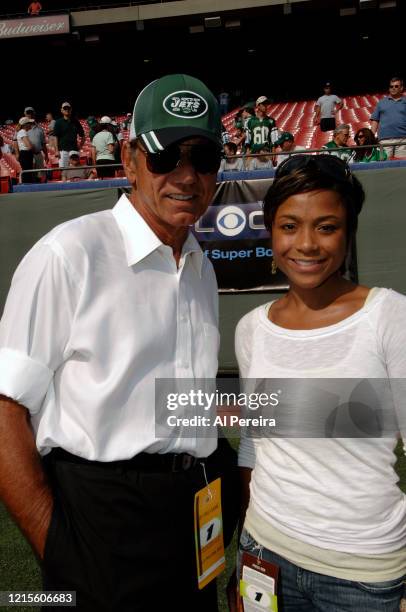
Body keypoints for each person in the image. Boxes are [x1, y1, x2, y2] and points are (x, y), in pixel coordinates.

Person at [0, 73, 238, 612]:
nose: (186, 175)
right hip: (101, 515)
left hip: (195, 513)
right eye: (165, 157)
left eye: (202, 158)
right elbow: (5, 410)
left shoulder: (199, 267)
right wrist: (58, 546)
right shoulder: (69, 254)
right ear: (130, 160)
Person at [233, 154, 406, 611]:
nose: (306, 244)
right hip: (262, 551)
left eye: (326, 227)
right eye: (289, 226)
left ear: (348, 235)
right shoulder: (251, 327)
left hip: (363, 573)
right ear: (270, 231)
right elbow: (255, 436)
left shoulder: (389, 315)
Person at [370, 76, 406, 159]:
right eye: (391, 86)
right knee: (383, 166)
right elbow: (375, 120)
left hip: (403, 140)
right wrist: (371, 137)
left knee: (402, 166)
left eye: (396, 86)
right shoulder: (381, 103)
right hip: (384, 140)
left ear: (401, 88)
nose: (393, 88)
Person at [53, 101, 85, 169]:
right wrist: (56, 150)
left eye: (68, 108)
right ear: (61, 110)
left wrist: (80, 146)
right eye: (65, 108)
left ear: (71, 110)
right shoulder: (58, 122)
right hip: (63, 151)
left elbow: (82, 136)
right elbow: (55, 137)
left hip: (74, 150)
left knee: (75, 170)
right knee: (63, 170)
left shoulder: (76, 121)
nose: (67, 110)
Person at [15, 116, 34, 183]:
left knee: (28, 174)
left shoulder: (22, 132)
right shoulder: (22, 132)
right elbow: (29, 146)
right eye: (29, 123)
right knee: (27, 174)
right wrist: (32, 146)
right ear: (25, 125)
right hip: (25, 154)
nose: (31, 124)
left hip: (25, 154)